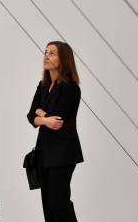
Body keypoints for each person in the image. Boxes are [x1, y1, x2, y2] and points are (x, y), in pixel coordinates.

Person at [27, 41, 84, 222]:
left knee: (58, 203)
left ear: (64, 59)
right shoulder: (43, 86)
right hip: (44, 153)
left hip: (63, 154)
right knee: (47, 205)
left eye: (52, 53)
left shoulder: (70, 88)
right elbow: (30, 115)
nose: (46, 56)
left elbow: (57, 120)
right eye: (45, 52)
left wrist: (41, 113)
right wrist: (43, 119)